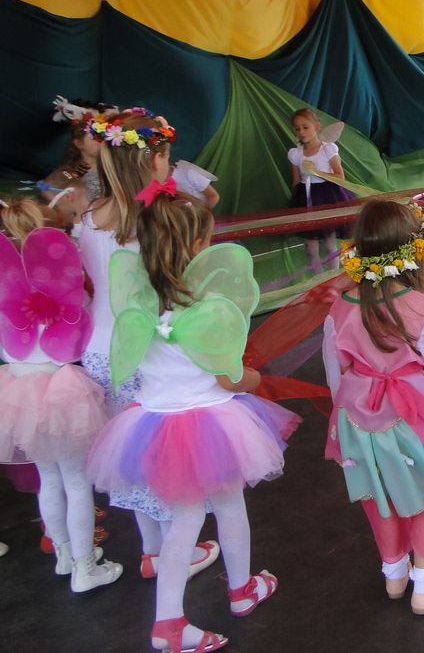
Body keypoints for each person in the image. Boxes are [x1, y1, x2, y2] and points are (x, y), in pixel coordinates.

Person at [86, 186, 298, 653]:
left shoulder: (140, 303)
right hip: (208, 424)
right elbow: (228, 378)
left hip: (155, 424)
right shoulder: (205, 308)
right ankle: (180, 619)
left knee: (187, 518)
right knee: (220, 509)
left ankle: (226, 595)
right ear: (198, 245)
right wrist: (253, 380)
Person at [324, 199, 424, 614]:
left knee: (378, 493)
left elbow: (336, 373)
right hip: (415, 417)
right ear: (415, 251)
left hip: (358, 418)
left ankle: (394, 575)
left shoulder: (340, 306)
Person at [79, 110, 220, 577]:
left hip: (100, 350)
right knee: (164, 453)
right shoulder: (152, 220)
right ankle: (176, 552)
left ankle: (152, 550)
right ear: (150, 161)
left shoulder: (89, 217)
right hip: (144, 347)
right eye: (165, 156)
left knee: (133, 453)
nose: (169, 164)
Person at [0, 200, 120, 592]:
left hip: (17, 390)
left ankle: (65, 555)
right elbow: (81, 328)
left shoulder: (4, 283)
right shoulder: (63, 285)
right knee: (76, 480)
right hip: (61, 391)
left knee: (48, 477)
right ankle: (86, 568)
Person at [288, 107, 350, 274]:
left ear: (316, 126)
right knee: (311, 248)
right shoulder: (295, 154)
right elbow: (296, 181)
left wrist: (317, 172)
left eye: (305, 127)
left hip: (327, 197)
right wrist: (295, 206)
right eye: (297, 128)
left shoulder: (328, 149)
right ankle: (319, 279)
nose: (301, 132)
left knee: (330, 244)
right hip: (305, 198)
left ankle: (332, 278)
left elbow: (340, 176)